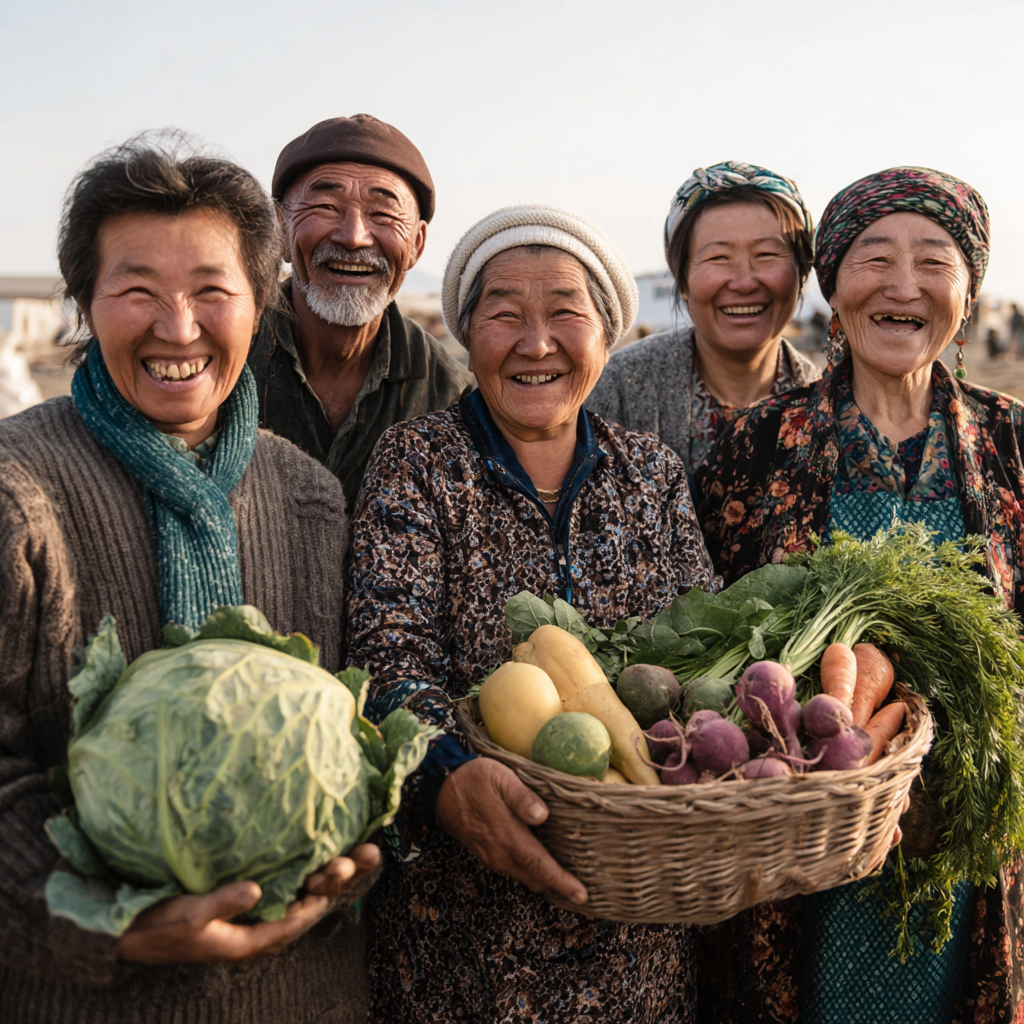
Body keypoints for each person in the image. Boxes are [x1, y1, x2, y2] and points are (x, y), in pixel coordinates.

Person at [0, 136, 379, 1024]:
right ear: (85, 306)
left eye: (213, 291)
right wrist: (117, 927)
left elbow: (335, 726)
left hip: (306, 995)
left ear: (262, 305)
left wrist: (362, 830)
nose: (178, 329)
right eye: (137, 292)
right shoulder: (16, 494)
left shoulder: (309, 494)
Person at [346, 204, 718, 1023]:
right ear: (467, 334)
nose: (535, 342)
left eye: (564, 314)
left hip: (636, 928)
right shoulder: (416, 462)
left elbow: (698, 645)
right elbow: (388, 652)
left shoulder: (649, 473)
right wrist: (446, 773)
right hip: (463, 930)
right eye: (504, 314)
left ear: (607, 334)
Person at [695, 167, 1023, 1023]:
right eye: (874, 257)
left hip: (969, 845)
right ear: (832, 288)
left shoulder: (1012, 444)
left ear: (968, 290)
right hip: (796, 851)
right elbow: (707, 653)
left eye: (934, 261)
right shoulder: (754, 449)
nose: (903, 285)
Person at [247, 114, 475, 509]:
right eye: (326, 206)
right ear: (280, 229)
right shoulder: (223, 355)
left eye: (383, 214)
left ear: (417, 245)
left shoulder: (450, 395)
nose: (353, 236)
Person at [588, 161, 820, 474]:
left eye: (766, 255)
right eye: (718, 258)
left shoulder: (829, 408)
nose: (744, 281)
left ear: (801, 273)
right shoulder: (615, 391)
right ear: (681, 278)